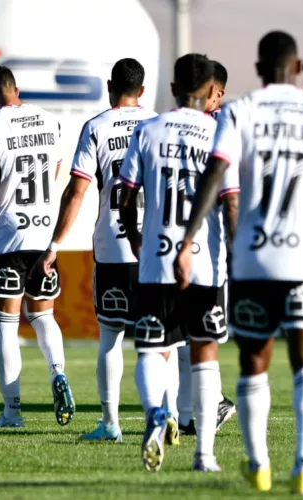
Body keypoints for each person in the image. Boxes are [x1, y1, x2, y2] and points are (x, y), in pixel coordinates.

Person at [174, 31, 303, 497]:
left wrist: (188, 238)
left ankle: (258, 464)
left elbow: (215, 175)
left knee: (254, 363)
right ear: (297, 68)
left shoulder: (240, 110)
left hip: (255, 258)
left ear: (258, 68)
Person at [118, 53, 233, 473]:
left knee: (153, 347)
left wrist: (133, 235)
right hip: (206, 260)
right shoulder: (221, 133)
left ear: (172, 89)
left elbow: (125, 194)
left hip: (157, 257)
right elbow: (231, 201)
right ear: (208, 91)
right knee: (204, 353)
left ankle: (154, 413)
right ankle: (204, 455)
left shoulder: (147, 130)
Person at [31, 58, 157, 442]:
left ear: (109, 86)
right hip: (156, 248)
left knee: (111, 337)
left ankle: (111, 423)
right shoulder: (157, 124)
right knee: (164, 341)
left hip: (113, 247)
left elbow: (76, 191)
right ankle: (168, 417)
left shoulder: (96, 127)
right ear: (144, 89)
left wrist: (54, 245)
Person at [0, 66, 74, 428]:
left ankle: (12, 413)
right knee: (44, 317)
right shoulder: (50, 121)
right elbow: (56, 170)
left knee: (6, 327)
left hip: (9, 238)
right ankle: (58, 373)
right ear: (17, 89)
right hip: (45, 240)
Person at [174, 58, 238, 438]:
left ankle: (201, 412)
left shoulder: (224, 132)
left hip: (208, 249)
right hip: (177, 246)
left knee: (196, 340)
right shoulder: (177, 127)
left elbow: (231, 196)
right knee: (180, 340)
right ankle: (191, 415)